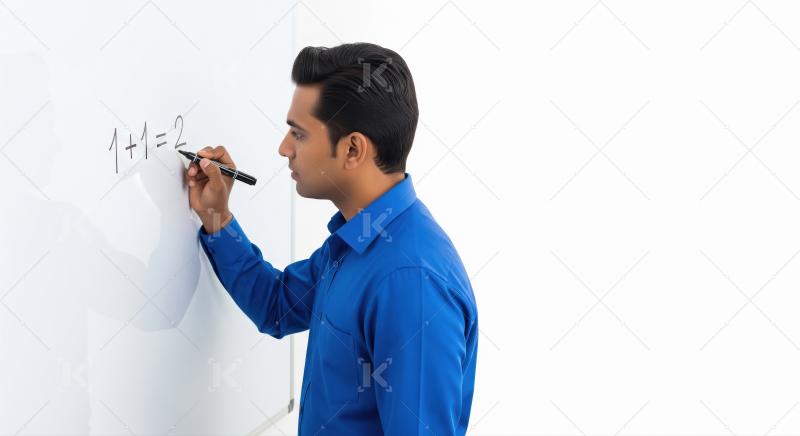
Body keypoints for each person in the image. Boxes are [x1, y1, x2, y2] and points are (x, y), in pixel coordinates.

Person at [185, 42, 478, 436]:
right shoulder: (356, 239)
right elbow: (278, 306)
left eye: (299, 134)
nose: (283, 149)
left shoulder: (411, 283)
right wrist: (216, 216)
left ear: (353, 149)